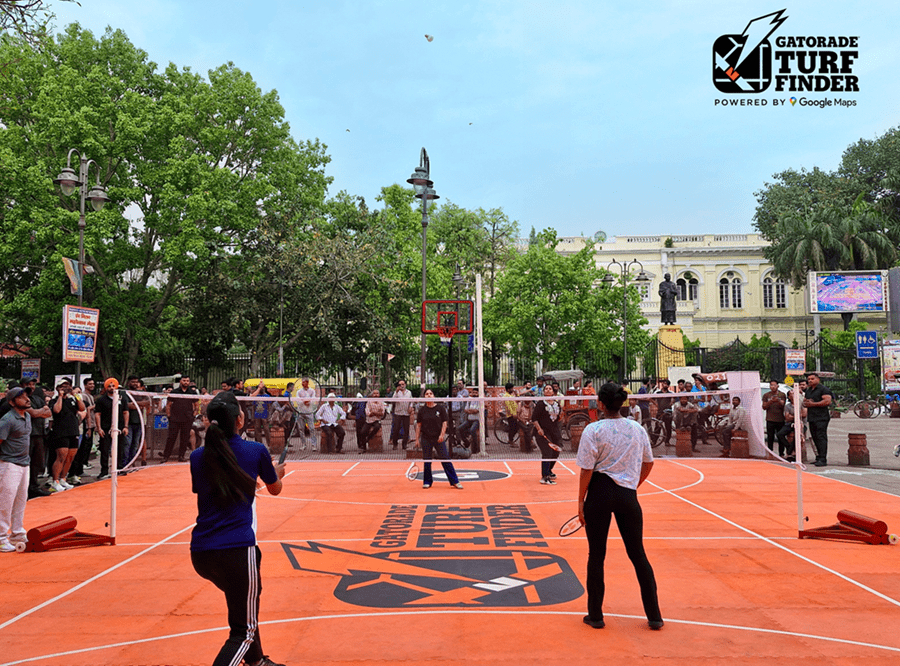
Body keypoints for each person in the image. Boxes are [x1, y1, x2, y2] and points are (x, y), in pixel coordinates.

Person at [189, 390, 286, 666]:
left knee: (245, 609)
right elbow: (275, 490)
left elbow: (219, 486)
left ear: (209, 421)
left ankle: (256, 662)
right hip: (236, 550)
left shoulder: (197, 457)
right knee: (243, 630)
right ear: (240, 421)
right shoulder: (255, 450)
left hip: (201, 552)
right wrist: (276, 474)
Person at [575, 382, 663, 630]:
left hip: (599, 494)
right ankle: (654, 616)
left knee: (596, 556)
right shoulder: (637, 429)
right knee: (638, 555)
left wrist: (580, 503)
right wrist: (632, 485)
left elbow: (586, 470)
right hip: (627, 495)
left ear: (601, 404)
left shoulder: (593, 430)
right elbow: (649, 463)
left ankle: (596, 615)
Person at [0, 387, 35, 551]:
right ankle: (1, 537)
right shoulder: (7, 420)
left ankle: (17, 533)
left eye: (26, 395)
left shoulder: (27, 416)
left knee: (20, 500)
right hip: (8, 465)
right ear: (12, 402)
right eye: (21, 397)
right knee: (5, 503)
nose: (27, 398)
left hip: (24, 464)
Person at [414, 389, 462, 489]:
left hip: (438, 438)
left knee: (445, 459)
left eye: (431, 393)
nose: (429, 395)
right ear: (424, 397)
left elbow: (445, 422)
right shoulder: (422, 410)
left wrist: (442, 435)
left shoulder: (440, 408)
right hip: (426, 438)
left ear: (434, 396)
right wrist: (417, 439)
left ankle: (455, 481)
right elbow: (418, 425)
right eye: (427, 394)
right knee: (427, 461)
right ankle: (427, 481)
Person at [48, 379, 85, 492]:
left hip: (73, 430)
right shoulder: (54, 400)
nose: (65, 388)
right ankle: (55, 481)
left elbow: (82, 408)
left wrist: (75, 395)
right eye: (62, 386)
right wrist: (60, 396)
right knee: (61, 456)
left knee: (70, 456)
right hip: (61, 431)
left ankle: (63, 478)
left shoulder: (72, 399)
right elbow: (57, 410)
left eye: (67, 386)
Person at [94, 378, 129, 480]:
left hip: (120, 428)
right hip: (106, 428)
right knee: (104, 450)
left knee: (120, 449)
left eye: (113, 386)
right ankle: (104, 471)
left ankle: (119, 468)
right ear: (105, 387)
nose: (111, 388)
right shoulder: (101, 400)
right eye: (109, 386)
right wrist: (99, 428)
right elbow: (97, 414)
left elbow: (126, 412)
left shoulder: (122, 398)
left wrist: (126, 426)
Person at [163, 374, 199, 463]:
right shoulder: (174, 391)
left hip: (187, 419)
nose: (186, 382)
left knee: (185, 438)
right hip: (174, 419)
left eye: (187, 381)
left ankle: (181, 456)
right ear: (180, 381)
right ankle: (165, 456)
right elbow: (168, 405)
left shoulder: (192, 392)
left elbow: (197, 405)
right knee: (171, 438)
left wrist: (193, 415)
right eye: (184, 380)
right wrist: (169, 416)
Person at [533, 384, 562, 484]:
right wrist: (539, 429)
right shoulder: (541, 404)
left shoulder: (557, 404)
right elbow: (534, 418)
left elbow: (558, 418)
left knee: (556, 452)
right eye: (546, 389)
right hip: (542, 432)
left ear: (553, 392)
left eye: (550, 389)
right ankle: (544, 477)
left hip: (554, 432)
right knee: (547, 453)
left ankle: (549, 470)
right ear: (544, 392)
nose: (548, 390)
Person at [804, 372, 833, 466]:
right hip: (812, 417)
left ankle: (823, 459)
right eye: (809, 379)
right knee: (815, 437)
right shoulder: (808, 391)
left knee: (821, 437)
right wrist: (807, 402)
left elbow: (827, 401)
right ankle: (818, 457)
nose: (810, 381)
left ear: (818, 379)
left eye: (812, 379)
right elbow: (805, 401)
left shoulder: (823, 389)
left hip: (821, 417)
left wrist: (813, 404)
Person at [292, 377, 317, 449]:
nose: (303, 383)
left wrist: (308, 402)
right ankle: (303, 444)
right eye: (302, 382)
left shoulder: (312, 391)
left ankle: (314, 445)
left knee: (312, 429)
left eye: (304, 382)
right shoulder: (299, 391)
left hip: (309, 412)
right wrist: (304, 401)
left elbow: (313, 400)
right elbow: (298, 401)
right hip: (300, 412)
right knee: (301, 429)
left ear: (307, 382)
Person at [762, 380, 786, 453]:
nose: (772, 387)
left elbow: (783, 405)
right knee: (770, 437)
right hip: (770, 419)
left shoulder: (782, 395)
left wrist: (778, 400)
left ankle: (781, 453)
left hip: (780, 419)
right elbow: (764, 406)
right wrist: (771, 401)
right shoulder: (766, 395)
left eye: (774, 385)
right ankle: (770, 452)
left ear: (777, 386)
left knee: (780, 437)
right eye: (771, 385)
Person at [389, 380, 413, 450]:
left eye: (403, 384)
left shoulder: (409, 392)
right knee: (396, 429)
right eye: (400, 384)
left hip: (406, 413)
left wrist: (410, 407)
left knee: (406, 429)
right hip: (398, 413)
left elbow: (411, 401)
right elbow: (392, 400)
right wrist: (396, 392)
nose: (402, 385)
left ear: (405, 384)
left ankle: (404, 444)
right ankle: (395, 443)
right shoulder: (396, 392)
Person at [499, 382, 518, 447]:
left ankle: (511, 440)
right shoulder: (506, 396)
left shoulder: (510, 395)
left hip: (514, 413)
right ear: (508, 389)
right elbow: (508, 406)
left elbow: (517, 400)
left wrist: (516, 394)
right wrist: (513, 414)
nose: (513, 390)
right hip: (511, 415)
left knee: (514, 428)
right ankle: (511, 440)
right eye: (512, 388)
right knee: (513, 428)